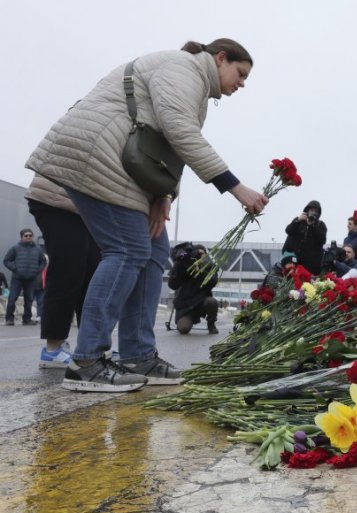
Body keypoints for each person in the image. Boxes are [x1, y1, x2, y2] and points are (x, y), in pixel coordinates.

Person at [24, 38, 268, 392]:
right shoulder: (184, 67)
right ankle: (86, 362)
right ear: (220, 58)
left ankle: (137, 355)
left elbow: (168, 147)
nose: (242, 83)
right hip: (98, 152)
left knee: (153, 251)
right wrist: (235, 187)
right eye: (240, 73)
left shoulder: (195, 84)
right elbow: (180, 132)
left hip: (123, 165)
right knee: (127, 250)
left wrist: (164, 196)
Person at [27, 176, 102, 368]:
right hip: (59, 198)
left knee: (92, 276)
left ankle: (91, 347)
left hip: (86, 206)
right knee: (67, 272)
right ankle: (53, 349)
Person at [168, 243, 219, 335]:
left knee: (212, 302)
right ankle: (187, 319)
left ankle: (211, 324)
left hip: (202, 302)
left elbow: (213, 283)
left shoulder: (209, 266)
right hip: (186, 306)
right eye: (197, 254)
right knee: (183, 328)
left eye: (202, 254)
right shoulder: (184, 264)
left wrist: (201, 270)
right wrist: (180, 263)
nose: (199, 257)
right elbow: (172, 285)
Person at [4, 228, 47, 326]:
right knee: (12, 298)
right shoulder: (15, 248)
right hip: (17, 279)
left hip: (31, 279)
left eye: (30, 235)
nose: (28, 237)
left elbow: (43, 262)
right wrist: (15, 269)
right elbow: (6, 261)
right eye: (26, 235)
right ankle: (9, 319)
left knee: (29, 300)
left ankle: (27, 319)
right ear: (22, 237)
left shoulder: (38, 249)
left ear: (32, 237)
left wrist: (37, 270)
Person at [283, 200, 327, 275]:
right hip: (296, 261)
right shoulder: (300, 221)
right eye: (311, 210)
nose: (313, 213)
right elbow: (288, 230)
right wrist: (298, 220)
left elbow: (322, 240)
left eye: (316, 211)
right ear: (307, 210)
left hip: (312, 264)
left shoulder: (320, 225)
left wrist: (312, 226)